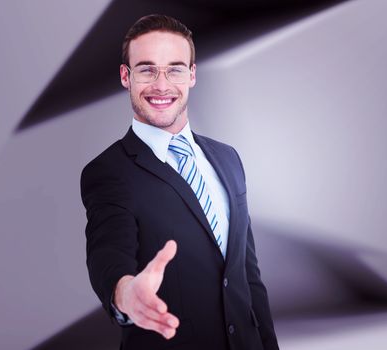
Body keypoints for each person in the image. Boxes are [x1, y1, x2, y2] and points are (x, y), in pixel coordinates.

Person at [80, 14, 279, 350]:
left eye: (174, 68)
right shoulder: (108, 172)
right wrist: (125, 294)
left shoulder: (228, 158)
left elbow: (248, 277)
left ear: (192, 75)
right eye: (146, 69)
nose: (162, 84)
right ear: (126, 76)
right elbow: (108, 252)